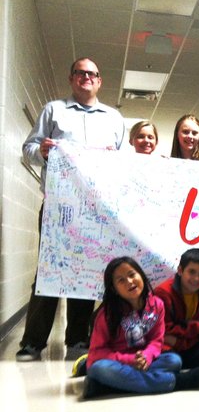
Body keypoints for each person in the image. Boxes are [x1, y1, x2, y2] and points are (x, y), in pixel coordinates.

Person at [18, 57, 125, 362]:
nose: (86, 78)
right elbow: (28, 149)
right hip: (58, 207)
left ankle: (78, 339)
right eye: (80, 73)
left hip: (95, 209)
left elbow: (125, 162)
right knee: (48, 271)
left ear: (99, 81)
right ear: (71, 78)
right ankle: (32, 343)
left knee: (87, 271)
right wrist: (41, 151)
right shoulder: (54, 110)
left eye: (92, 74)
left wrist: (113, 160)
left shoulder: (113, 118)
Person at [83, 257, 199, 398]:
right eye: (121, 280)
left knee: (174, 361)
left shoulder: (157, 305)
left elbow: (156, 341)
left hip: (143, 362)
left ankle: (106, 387)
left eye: (132, 275)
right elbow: (97, 353)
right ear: (114, 289)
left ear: (141, 275)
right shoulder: (107, 314)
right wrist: (130, 360)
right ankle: (176, 382)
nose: (129, 282)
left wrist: (147, 356)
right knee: (98, 369)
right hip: (116, 363)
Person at [154, 248, 199, 370]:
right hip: (166, 345)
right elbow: (163, 329)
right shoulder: (163, 293)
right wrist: (196, 327)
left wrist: (181, 342)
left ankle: (183, 362)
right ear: (180, 270)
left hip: (186, 343)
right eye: (191, 272)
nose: (196, 279)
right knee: (171, 360)